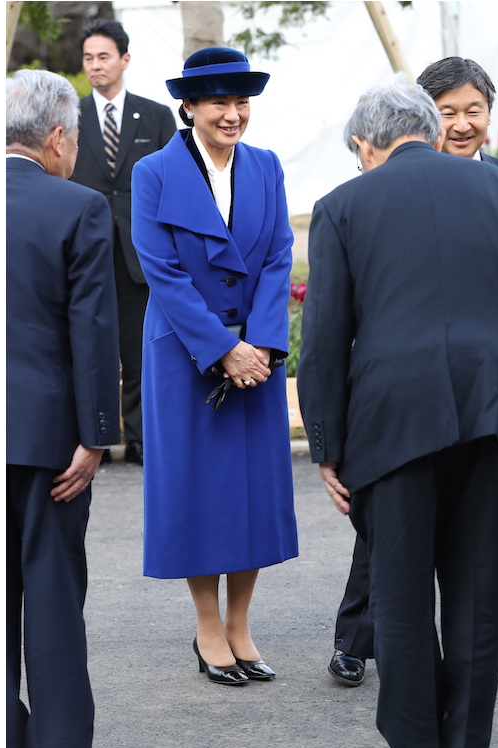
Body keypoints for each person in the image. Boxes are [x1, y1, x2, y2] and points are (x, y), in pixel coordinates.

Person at [297, 76, 498, 748]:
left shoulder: (342, 207)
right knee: (481, 592)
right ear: (426, 124)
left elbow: (323, 338)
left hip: (393, 421)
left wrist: (325, 444)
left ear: (366, 143)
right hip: (494, 412)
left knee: (400, 593)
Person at [328, 56, 498, 689]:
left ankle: (490, 626)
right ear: (424, 117)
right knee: (385, 532)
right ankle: (356, 636)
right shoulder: (375, 180)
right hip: (405, 388)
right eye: (448, 111)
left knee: (487, 524)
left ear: (490, 114)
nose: (461, 124)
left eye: (473, 111)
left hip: (488, 390)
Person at [130, 47, 298, 686]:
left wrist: (256, 344)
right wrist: (223, 349)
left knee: (252, 492)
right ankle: (207, 626)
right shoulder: (154, 173)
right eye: (218, 102)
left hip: (255, 358)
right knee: (199, 492)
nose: (233, 114)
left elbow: (280, 255)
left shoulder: (267, 167)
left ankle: (241, 625)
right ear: (190, 107)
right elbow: (162, 272)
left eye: (241, 101)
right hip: (186, 356)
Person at [6, 69, 121, 748]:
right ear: (56, 138)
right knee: (50, 592)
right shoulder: (78, 206)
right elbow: (93, 328)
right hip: (49, 438)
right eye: (76, 138)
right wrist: (96, 434)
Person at [70, 19, 177, 466]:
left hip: (139, 252)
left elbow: (175, 183)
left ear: (125, 60)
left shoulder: (155, 116)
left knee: (137, 348)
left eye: (103, 56)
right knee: (90, 345)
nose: (95, 66)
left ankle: (139, 438)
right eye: (88, 58)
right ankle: (96, 435)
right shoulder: (68, 117)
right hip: (85, 249)